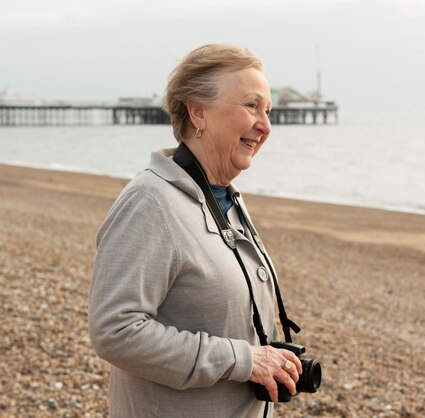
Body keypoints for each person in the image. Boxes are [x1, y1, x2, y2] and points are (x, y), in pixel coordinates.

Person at [88, 44, 302, 418]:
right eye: (251, 106)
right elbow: (115, 330)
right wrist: (242, 360)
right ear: (197, 111)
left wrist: (262, 358)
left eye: (268, 111)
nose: (266, 126)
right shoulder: (150, 202)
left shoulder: (224, 198)